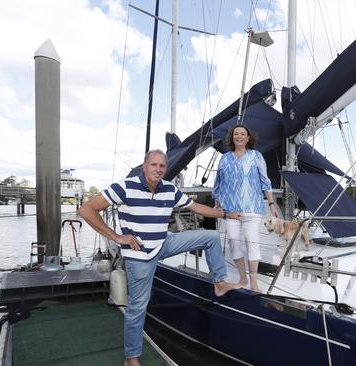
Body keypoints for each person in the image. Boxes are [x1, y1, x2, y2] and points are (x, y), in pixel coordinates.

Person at [78, 149, 242, 366]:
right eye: (153, 165)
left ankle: (219, 282)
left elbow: (196, 207)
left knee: (211, 236)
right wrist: (117, 237)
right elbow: (87, 210)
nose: (158, 169)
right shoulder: (125, 187)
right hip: (139, 254)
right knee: (138, 307)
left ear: (165, 169)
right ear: (144, 166)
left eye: (162, 166)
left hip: (163, 243)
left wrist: (225, 214)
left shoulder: (170, 190)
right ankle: (132, 358)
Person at [213, 124, 278, 292]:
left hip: (252, 208)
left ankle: (254, 281)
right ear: (232, 138)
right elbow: (218, 183)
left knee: (252, 243)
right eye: (236, 134)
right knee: (234, 243)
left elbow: (265, 181)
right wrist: (217, 205)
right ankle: (243, 278)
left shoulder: (256, 156)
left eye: (243, 134)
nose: (239, 136)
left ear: (248, 138)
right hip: (230, 210)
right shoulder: (224, 158)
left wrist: (271, 203)